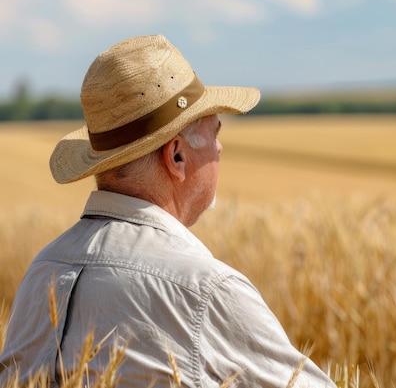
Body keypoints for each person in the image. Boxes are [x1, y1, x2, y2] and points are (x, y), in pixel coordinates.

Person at [0, 35, 335, 387]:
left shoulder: (41, 273)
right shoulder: (206, 292)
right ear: (176, 155)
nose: (220, 148)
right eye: (215, 132)